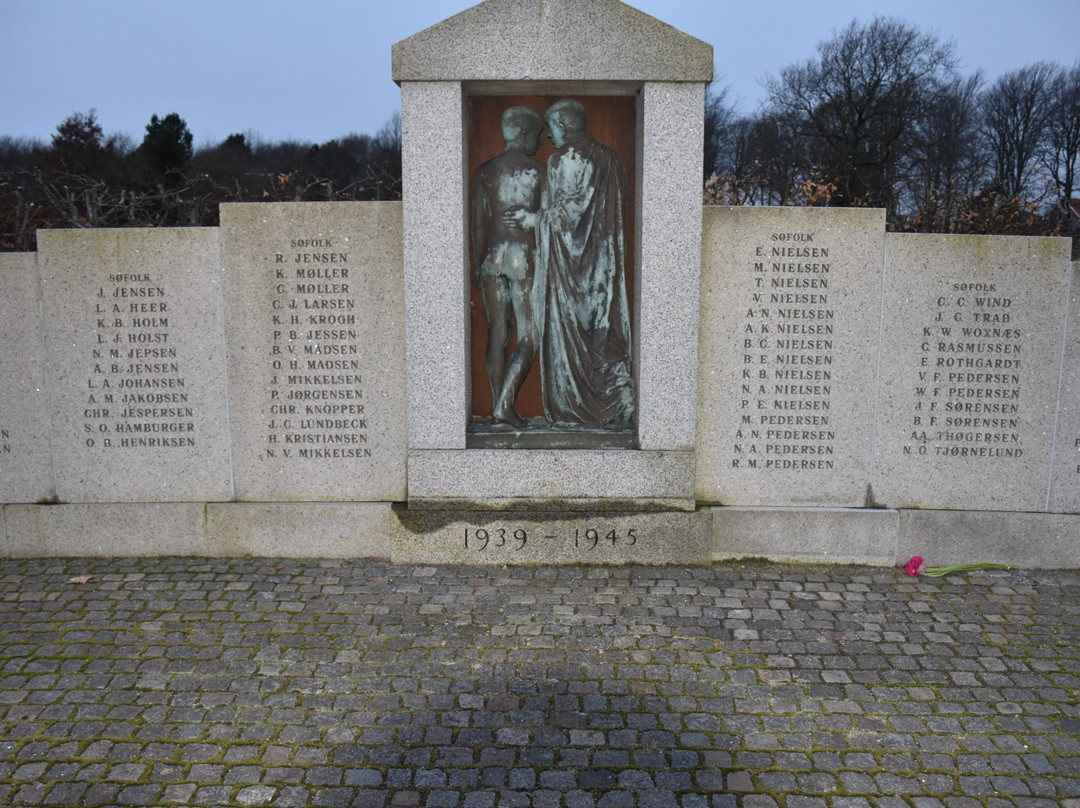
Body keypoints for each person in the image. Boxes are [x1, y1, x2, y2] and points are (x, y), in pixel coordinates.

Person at [505, 98, 635, 429]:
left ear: (563, 124)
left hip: (571, 268)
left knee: (575, 336)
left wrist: (533, 219)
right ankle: (616, 402)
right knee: (602, 333)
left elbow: (569, 214)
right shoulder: (612, 159)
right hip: (605, 266)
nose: (548, 136)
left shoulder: (563, 159)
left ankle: (577, 409)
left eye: (551, 128)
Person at [470, 106, 545, 428]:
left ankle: (497, 406)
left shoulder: (485, 172)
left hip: (492, 258)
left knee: (497, 331)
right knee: (530, 334)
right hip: (523, 257)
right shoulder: (539, 172)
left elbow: (477, 224)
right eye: (537, 136)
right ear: (525, 133)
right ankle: (504, 405)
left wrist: (477, 262)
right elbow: (546, 219)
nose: (539, 143)